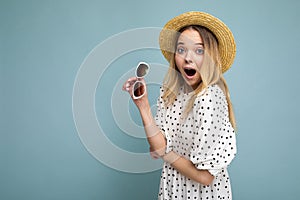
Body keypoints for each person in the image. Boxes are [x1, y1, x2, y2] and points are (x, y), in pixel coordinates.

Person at [122, 11, 237, 200]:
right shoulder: (170, 93)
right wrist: (142, 105)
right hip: (173, 190)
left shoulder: (211, 99)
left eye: (199, 50)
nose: (187, 58)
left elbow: (205, 177)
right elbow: (159, 144)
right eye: (181, 50)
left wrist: (164, 153)